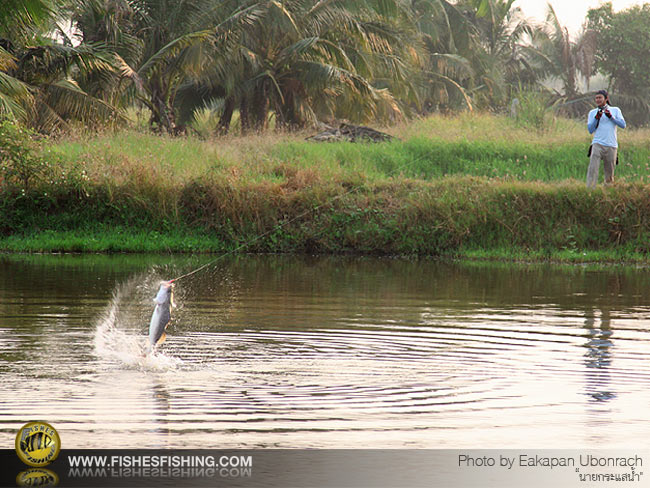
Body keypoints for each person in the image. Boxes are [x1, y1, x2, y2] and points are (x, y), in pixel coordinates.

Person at [586, 89, 626, 188]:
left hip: (611, 144)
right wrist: (597, 118)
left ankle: (608, 191)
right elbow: (590, 130)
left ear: (606, 98)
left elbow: (623, 125)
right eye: (596, 98)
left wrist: (611, 117)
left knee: (609, 172)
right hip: (597, 144)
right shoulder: (592, 113)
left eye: (600, 98)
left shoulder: (615, 110)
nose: (598, 100)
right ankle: (590, 190)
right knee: (593, 168)